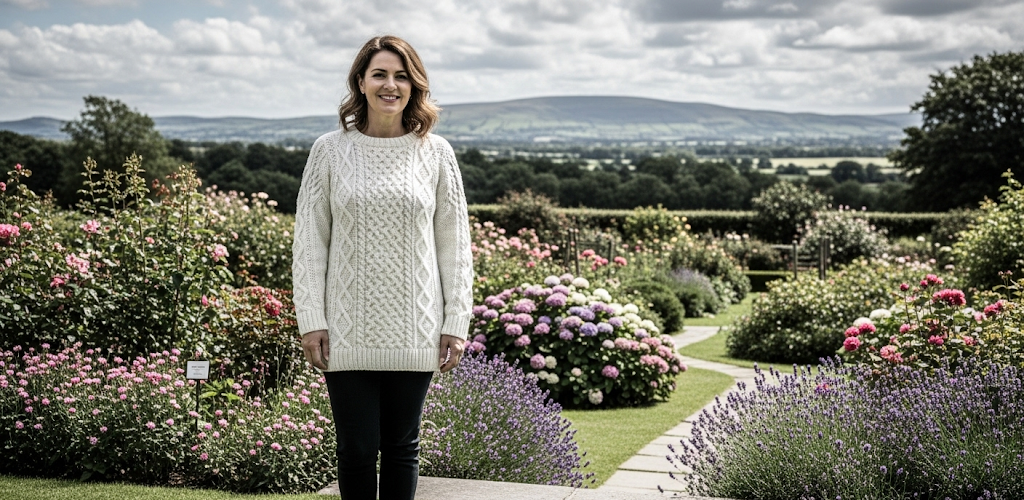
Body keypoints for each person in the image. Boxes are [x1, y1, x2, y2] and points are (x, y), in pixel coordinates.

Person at [291, 35, 473, 500]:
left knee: (401, 447)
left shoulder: (436, 153)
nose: (391, 85)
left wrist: (456, 321)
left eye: (401, 75)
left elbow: (455, 246)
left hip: (416, 326)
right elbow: (310, 243)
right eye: (380, 74)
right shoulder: (329, 151)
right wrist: (312, 320)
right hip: (347, 328)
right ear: (361, 82)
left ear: (414, 85)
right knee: (355, 447)